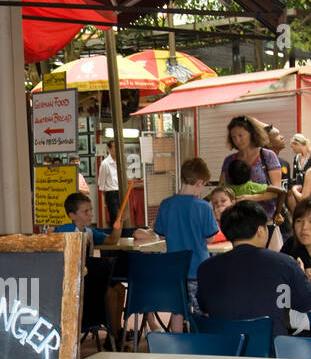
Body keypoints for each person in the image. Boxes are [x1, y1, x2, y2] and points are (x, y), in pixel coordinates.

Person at [196, 199, 311, 338]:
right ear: (260, 231)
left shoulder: (206, 268)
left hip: (222, 351)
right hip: (270, 352)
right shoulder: (284, 263)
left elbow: (207, 312)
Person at [133, 157, 218, 316]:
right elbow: (210, 238)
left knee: (177, 311)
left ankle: (176, 338)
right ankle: (201, 338)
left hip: (175, 270)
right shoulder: (204, 207)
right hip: (199, 268)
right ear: (199, 182)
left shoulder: (166, 204)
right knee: (203, 311)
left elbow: (161, 233)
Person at [56, 191, 125, 341]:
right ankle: (113, 336)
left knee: (119, 288)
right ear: (72, 215)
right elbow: (53, 236)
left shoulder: (90, 232)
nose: (90, 214)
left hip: (90, 279)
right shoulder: (66, 230)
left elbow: (111, 241)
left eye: (91, 210)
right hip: (74, 283)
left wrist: (118, 226)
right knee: (111, 293)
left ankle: (116, 331)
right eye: (85, 211)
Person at [220, 115, 283, 231]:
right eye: (233, 137)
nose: (237, 140)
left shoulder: (268, 156)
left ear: (252, 134)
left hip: (264, 222)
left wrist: (251, 198)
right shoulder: (229, 160)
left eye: (241, 136)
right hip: (237, 223)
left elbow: (276, 191)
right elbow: (222, 189)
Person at [97, 140, 120, 227]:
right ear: (109, 149)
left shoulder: (120, 161)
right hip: (111, 193)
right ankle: (115, 238)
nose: (116, 149)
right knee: (114, 218)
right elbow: (101, 184)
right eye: (114, 147)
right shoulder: (105, 164)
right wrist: (105, 199)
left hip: (120, 192)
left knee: (123, 217)